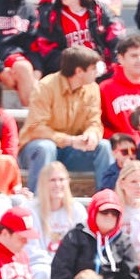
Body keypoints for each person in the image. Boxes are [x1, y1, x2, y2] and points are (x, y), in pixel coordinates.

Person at [18, 47, 113, 192]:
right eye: (93, 68)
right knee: (46, 147)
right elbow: (36, 128)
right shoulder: (45, 87)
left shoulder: (92, 88)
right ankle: (38, 204)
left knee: (104, 146)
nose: (97, 72)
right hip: (36, 150)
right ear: (79, 72)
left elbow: (94, 123)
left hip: (72, 149)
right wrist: (69, 140)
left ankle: (107, 201)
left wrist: (91, 135)